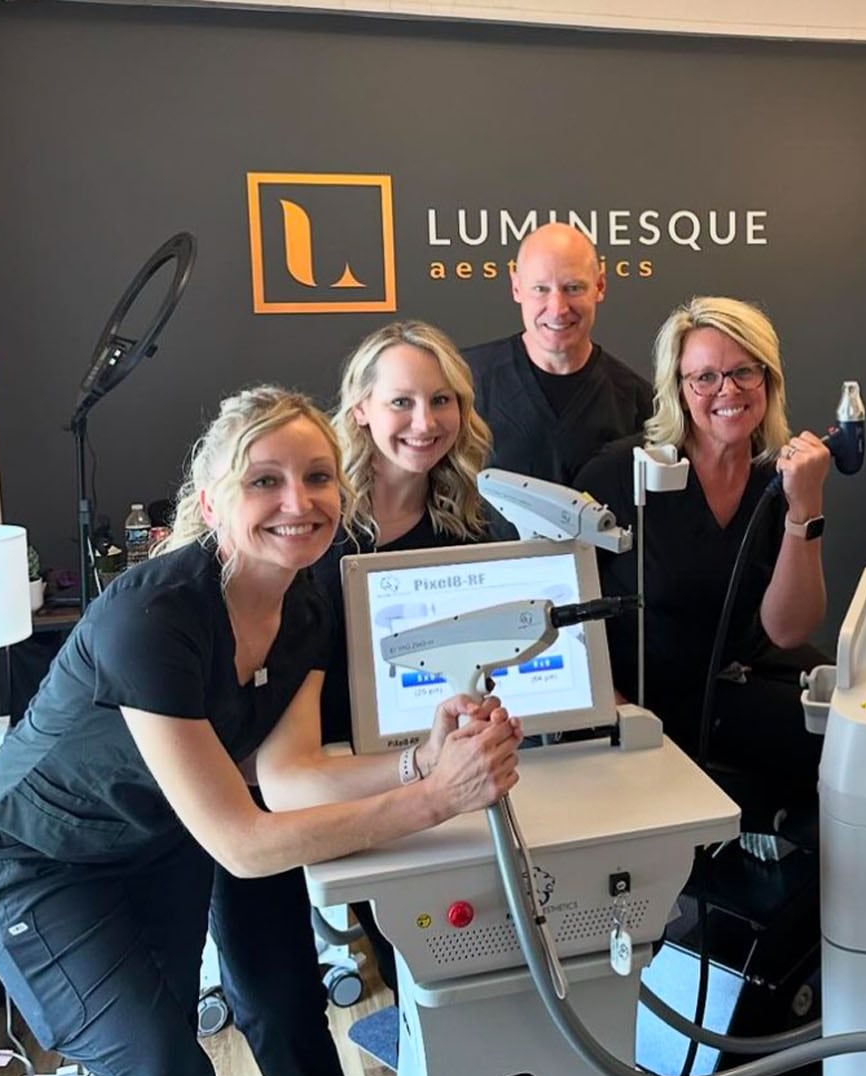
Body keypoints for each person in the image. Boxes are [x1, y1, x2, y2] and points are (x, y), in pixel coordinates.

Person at [0, 386, 521, 1076]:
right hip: (41, 856)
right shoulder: (154, 618)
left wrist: (421, 760)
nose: (298, 501)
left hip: (162, 843)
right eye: (265, 481)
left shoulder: (307, 602)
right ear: (211, 502)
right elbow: (243, 845)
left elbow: (286, 776)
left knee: (170, 1040)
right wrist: (435, 799)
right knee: (159, 1063)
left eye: (318, 477)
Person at [573, 296, 830, 811]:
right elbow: (566, 612)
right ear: (678, 389)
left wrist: (805, 508)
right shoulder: (621, 476)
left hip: (745, 672)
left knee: (856, 734)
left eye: (743, 373)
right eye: (705, 377)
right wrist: (613, 709)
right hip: (648, 695)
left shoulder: (778, 476)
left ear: (768, 380)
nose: (727, 391)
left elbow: (788, 630)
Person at [310, 319, 495, 992]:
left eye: (442, 400)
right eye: (403, 402)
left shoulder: (470, 528)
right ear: (360, 410)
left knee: (423, 966)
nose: (425, 421)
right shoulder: (312, 522)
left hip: (425, 769)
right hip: (317, 773)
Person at [463, 222, 651, 486]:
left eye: (573, 288)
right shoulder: (465, 386)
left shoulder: (638, 403)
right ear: (516, 288)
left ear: (600, 286)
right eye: (540, 289)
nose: (558, 308)